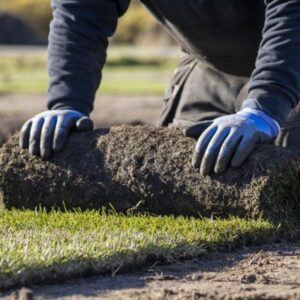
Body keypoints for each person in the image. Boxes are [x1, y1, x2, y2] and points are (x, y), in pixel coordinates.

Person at [20, 0, 300, 175]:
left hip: (292, 62)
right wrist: (66, 101)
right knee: (178, 173)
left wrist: (264, 107)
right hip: (209, 67)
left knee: (284, 178)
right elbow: (81, 11)